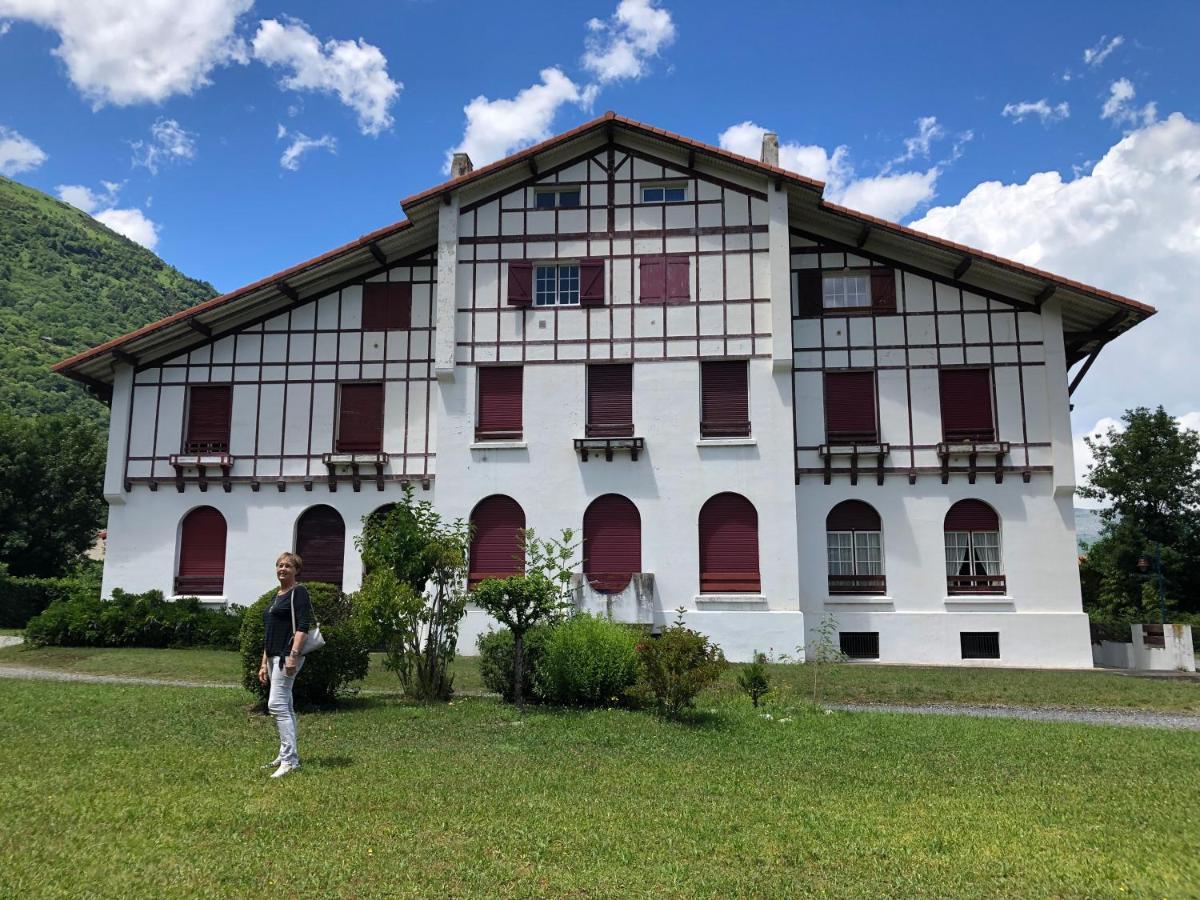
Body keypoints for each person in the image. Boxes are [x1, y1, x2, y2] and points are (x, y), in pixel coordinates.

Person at [258, 551, 313, 778]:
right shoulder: (276, 596)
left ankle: (290, 761)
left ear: (296, 570)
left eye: (288, 566)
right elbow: (269, 632)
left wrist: (293, 655)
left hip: (286, 656)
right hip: (272, 656)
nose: (282, 569)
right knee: (286, 706)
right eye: (280, 565)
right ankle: (285, 754)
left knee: (277, 705)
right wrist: (263, 663)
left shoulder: (298, 592)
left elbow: (302, 626)